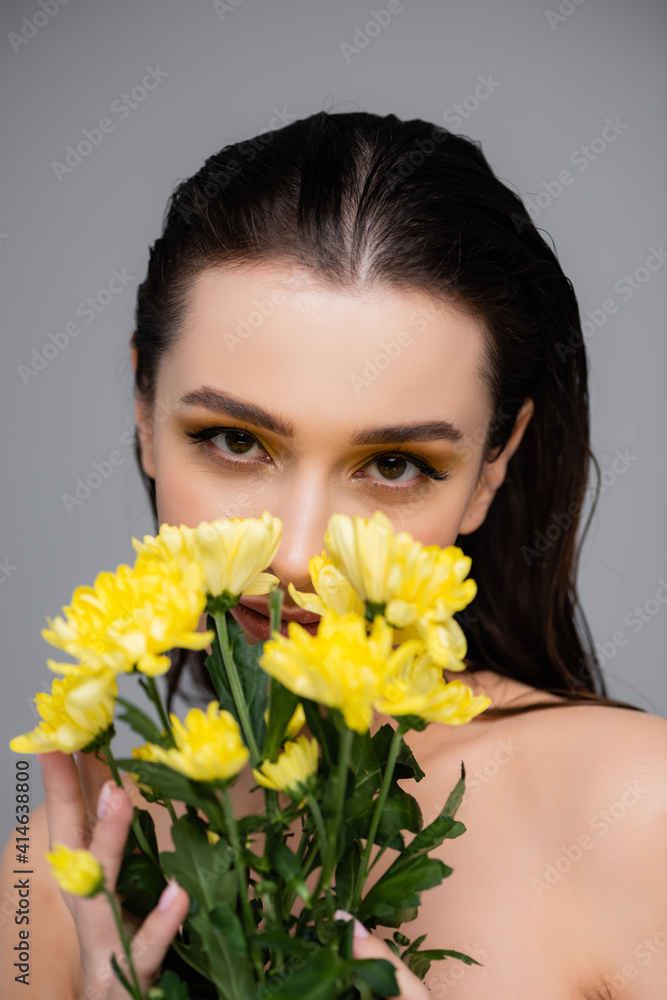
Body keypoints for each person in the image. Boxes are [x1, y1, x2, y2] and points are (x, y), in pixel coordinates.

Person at [2, 110, 666, 1000]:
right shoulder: (66, 873)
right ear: (143, 414)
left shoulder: (636, 812)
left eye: (394, 465)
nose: (297, 553)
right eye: (234, 442)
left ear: (489, 471)